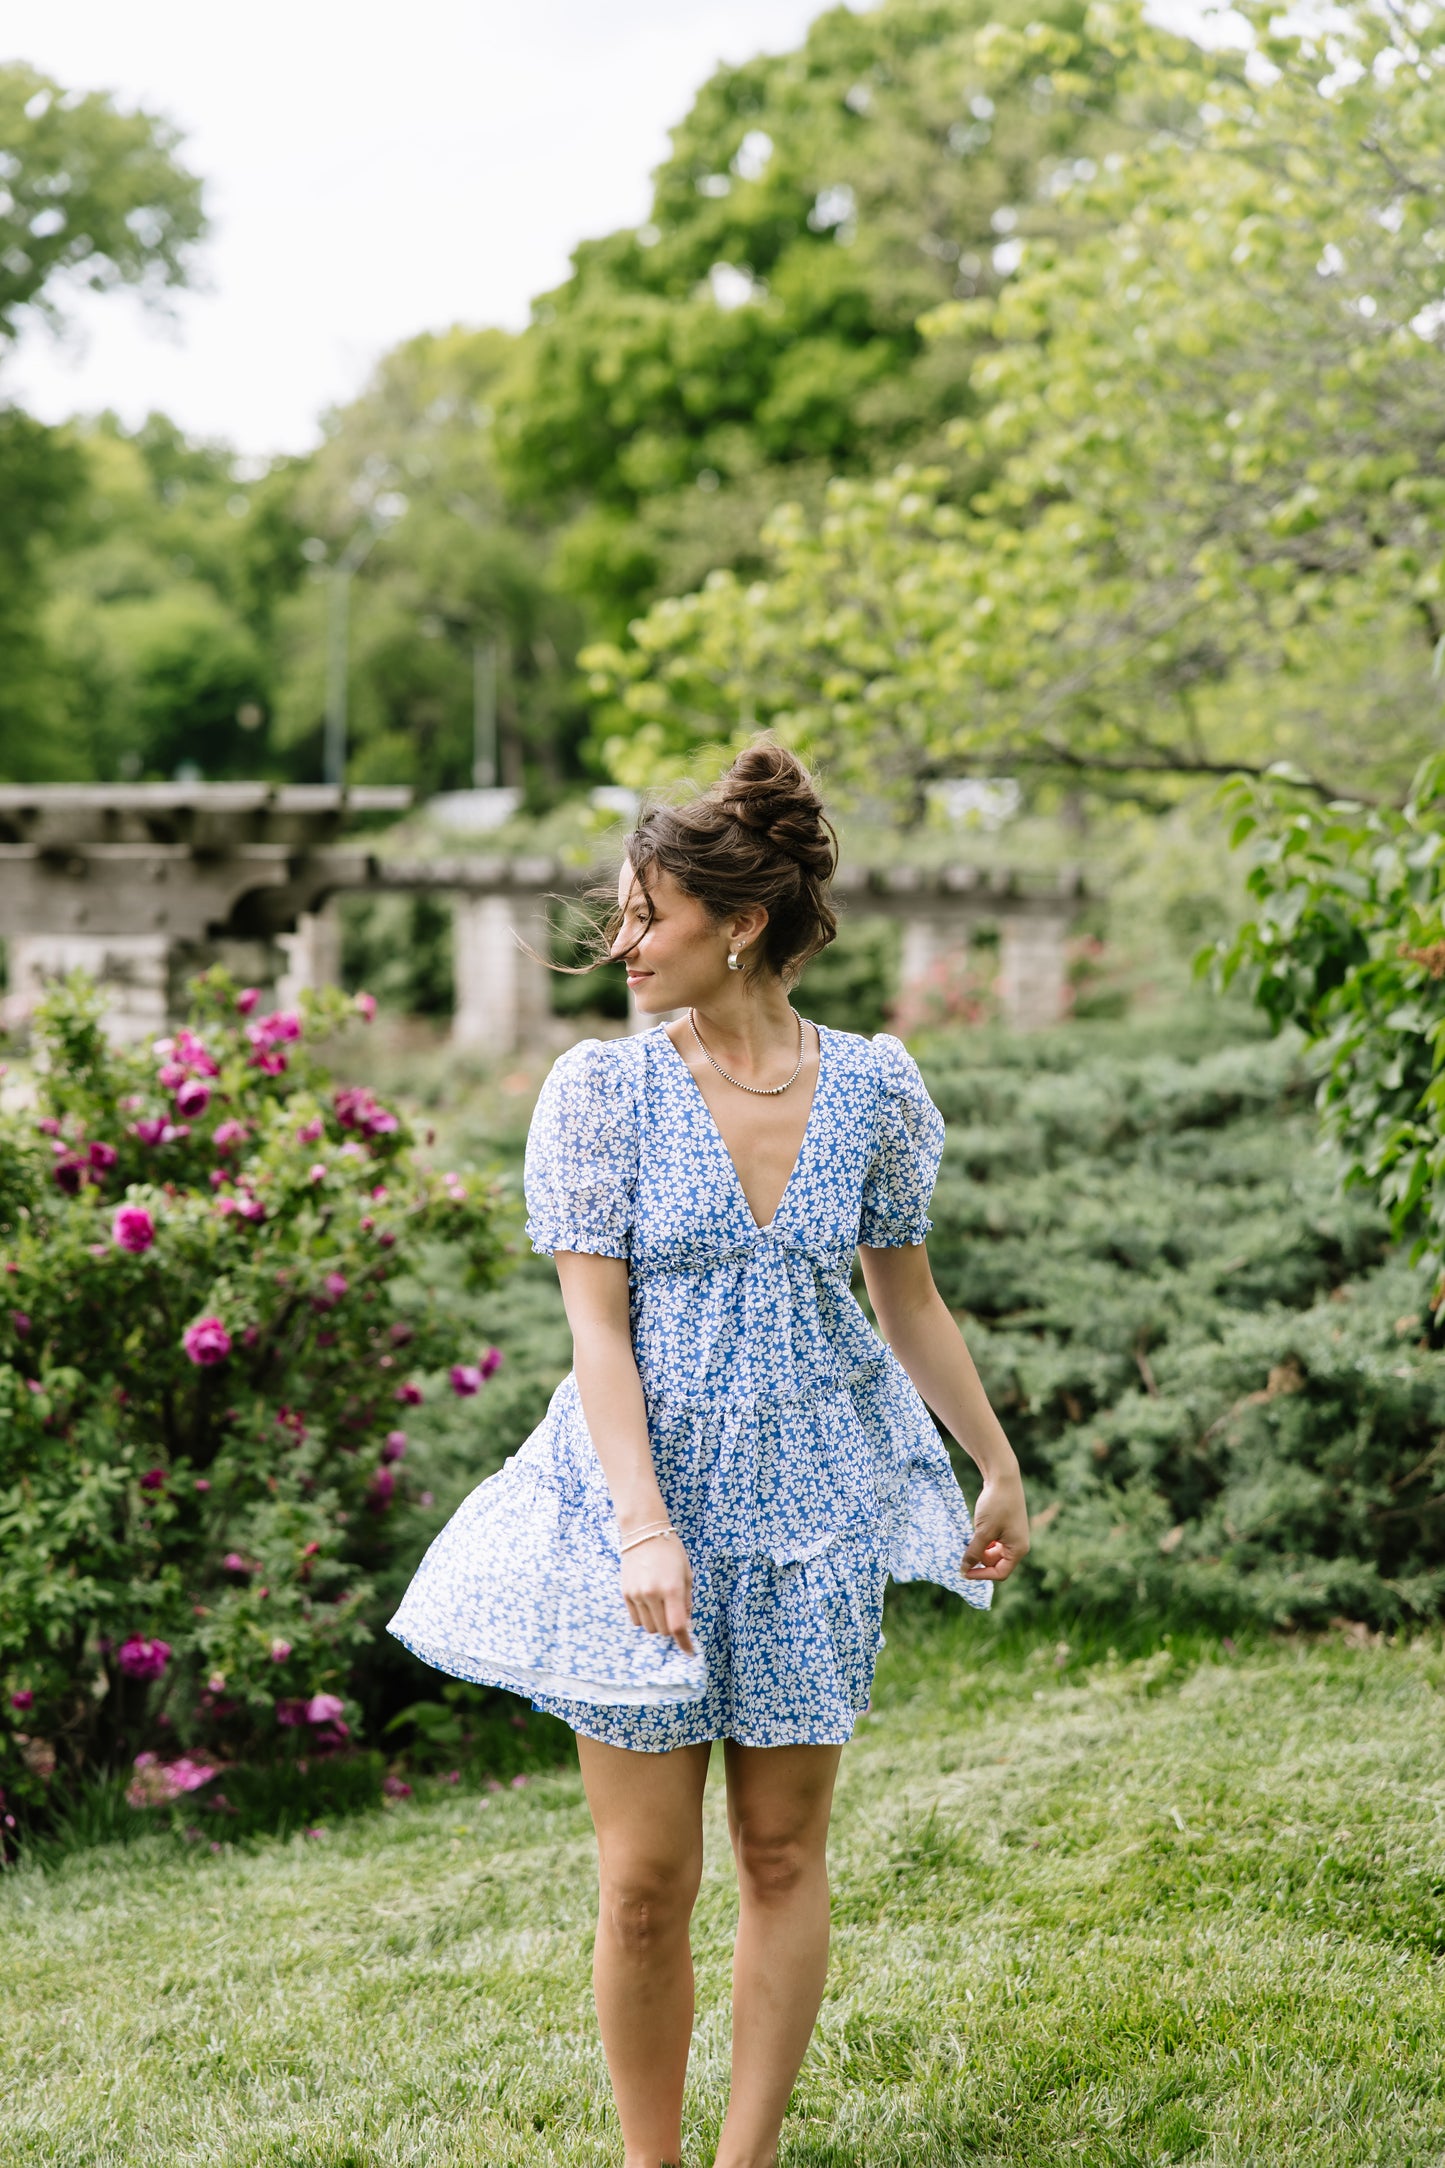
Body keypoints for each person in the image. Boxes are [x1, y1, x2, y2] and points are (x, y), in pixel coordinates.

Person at [388, 742, 1030, 2168]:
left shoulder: (873, 1091)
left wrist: (990, 1461)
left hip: (809, 1515)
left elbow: (904, 1296)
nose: (618, 944)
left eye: (645, 917)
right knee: (643, 1883)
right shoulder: (600, 1093)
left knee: (783, 1854)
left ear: (738, 924)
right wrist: (641, 1526)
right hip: (634, 1513)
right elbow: (594, 1340)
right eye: (619, 916)